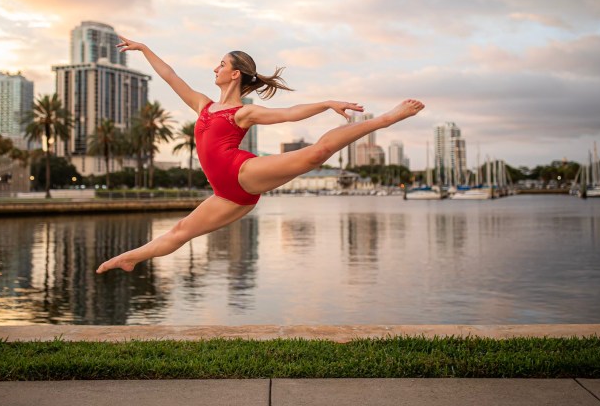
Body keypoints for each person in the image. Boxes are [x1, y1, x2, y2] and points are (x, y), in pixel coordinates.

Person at [96, 37, 425, 273]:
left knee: (316, 154)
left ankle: (386, 117)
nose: (215, 68)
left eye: (221, 64)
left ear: (235, 73)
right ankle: (131, 258)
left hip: (242, 172)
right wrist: (144, 48)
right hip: (228, 196)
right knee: (180, 231)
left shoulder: (243, 113)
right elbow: (170, 76)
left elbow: (291, 113)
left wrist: (326, 103)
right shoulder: (203, 104)